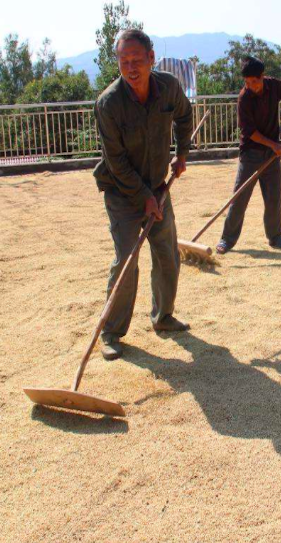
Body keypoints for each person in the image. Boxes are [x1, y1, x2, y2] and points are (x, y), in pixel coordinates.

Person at [93, 29, 193, 360]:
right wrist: (144, 198)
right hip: (122, 192)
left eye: (137, 60)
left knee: (167, 253)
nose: (131, 67)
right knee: (127, 258)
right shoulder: (108, 104)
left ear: (152, 58)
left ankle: (163, 317)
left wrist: (181, 154)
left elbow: (184, 115)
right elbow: (116, 162)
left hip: (158, 186)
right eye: (124, 61)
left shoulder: (169, 87)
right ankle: (111, 331)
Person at [215, 56, 281, 254]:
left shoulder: (273, 86)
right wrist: (274, 144)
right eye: (247, 82)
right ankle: (227, 239)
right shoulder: (244, 98)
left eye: (254, 82)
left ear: (262, 77)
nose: (251, 86)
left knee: (273, 197)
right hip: (250, 154)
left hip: (272, 155)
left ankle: (275, 237)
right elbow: (250, 133)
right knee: (239, 198)